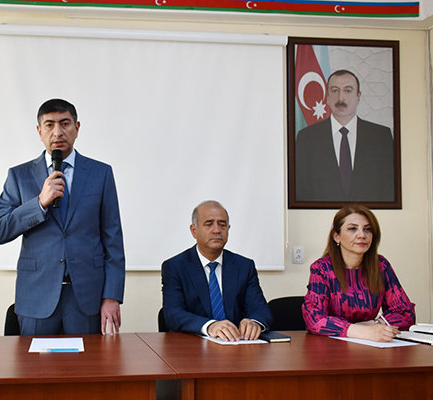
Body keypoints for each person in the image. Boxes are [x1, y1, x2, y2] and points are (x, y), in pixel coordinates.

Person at [0, 98, 125, 336]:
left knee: (89, 361)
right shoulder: (19, 175)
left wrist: (112, 296)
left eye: (65, 123)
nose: (58, 132)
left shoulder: (101, 173)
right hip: (36, 295)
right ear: (39, 131)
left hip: (87, 297)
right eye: (50, 125)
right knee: (34, 361)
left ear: (77, 128)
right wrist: (39, 203)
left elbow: (113, 239)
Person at [161, 200, 272, 341]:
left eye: (222, 224)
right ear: (194, 231)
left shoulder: (244, 266)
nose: (217, 230)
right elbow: (173, 314)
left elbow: (260, 309)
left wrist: (254, 322)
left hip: (236, 344)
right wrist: (210, 326)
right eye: (209, 224)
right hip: (194, 346)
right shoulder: (175, 267)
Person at [302, 205, 415, 342]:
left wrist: (376, 323)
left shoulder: (381, 266)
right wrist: (360, 331)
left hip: (373, 345)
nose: (362, 235)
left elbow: (406, 313)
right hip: (332, 345)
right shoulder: (322, 268)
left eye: (367, 229)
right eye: (352, 229)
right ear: (337, 236)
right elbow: (314, 319)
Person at [295, 69, 395, 202]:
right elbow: (301, 190)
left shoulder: (381, 136)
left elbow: (388, 188)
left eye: (348, 91)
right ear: (327, 97)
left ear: (358, 96)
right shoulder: (307, 138)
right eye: (334, 91)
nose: (340, 98)